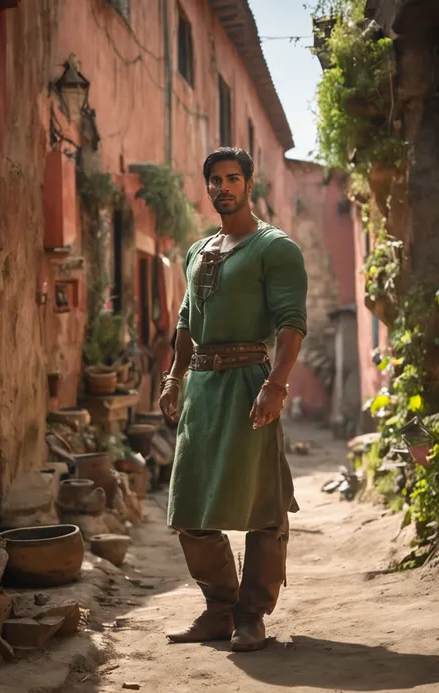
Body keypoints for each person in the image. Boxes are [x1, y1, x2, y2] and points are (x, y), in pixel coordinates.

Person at [159, 147, 307, 652]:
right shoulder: (198, 250)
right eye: (215, 181)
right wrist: (173, 378)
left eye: (232, 178)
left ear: (249, 183)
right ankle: (219, 609)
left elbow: (291, 324)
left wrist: (276, 385)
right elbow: (184, 321)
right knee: (189, 505)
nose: (224, 187)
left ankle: (251, 616)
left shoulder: (275, 247)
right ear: (208, 188)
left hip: (250, 383)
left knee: (262, 505)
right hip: (201, 386)